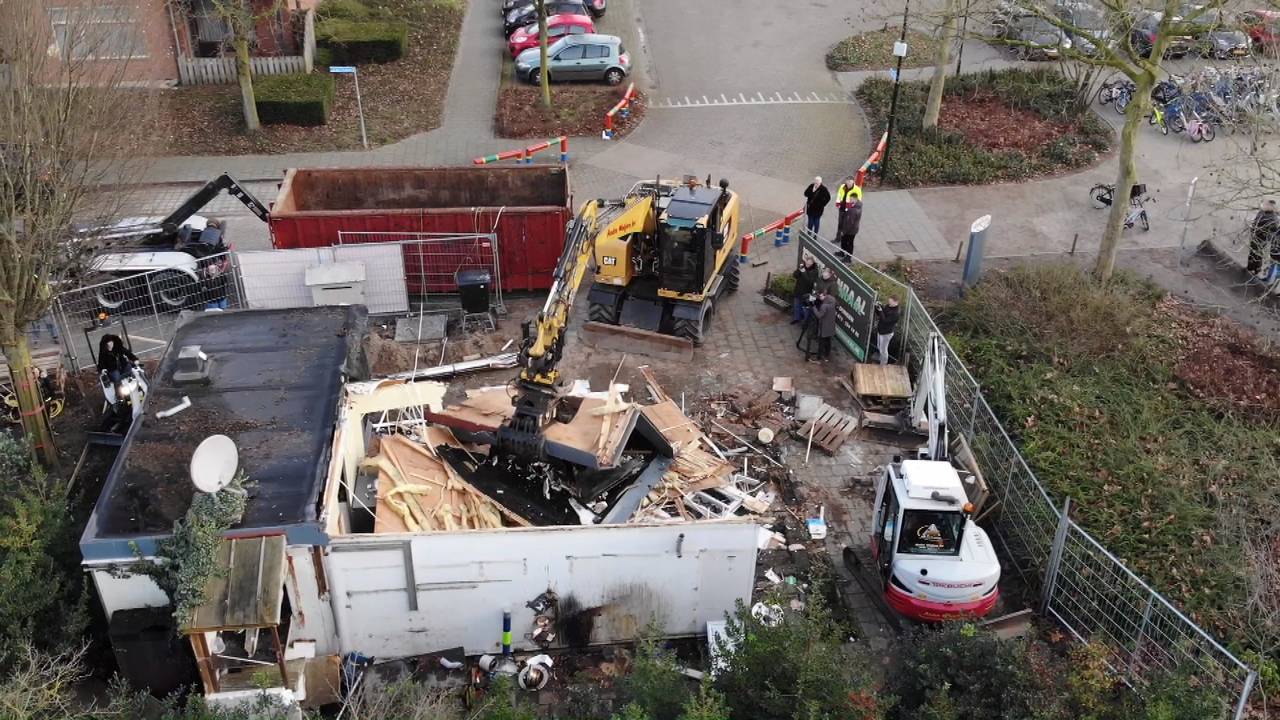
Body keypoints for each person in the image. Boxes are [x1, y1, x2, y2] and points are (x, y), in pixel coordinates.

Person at [1247, 199, 1279, 278]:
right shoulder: (1262, 212)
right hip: (1255, 236)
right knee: (1252, 252)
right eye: (1265, 204)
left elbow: (1273, 231)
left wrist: (1262, 232)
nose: (1265, 206)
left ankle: (1256, 270)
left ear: (1272, 207)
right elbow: (1256, 221)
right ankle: (1249, 267)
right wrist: (1253, 228)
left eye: (1267, 205)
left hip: (1262, 239)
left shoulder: (1273, 218)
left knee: (1257, 254)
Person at [791, 255, 818, 324]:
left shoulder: (814, 271)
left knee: (805, 308)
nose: (807, 265)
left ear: (812, 263)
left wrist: (803, 272)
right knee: (796, 305)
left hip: (806, 293)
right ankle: (796, 318)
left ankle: (804, 322)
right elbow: (794, 275)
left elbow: (809, 281)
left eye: (809, 264)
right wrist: (799, 269)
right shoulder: (803, 267)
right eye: (806, 263)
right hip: (798, 290)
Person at [838, 185, 863, 258]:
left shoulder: (853, 210)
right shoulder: (857, 205)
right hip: (853, 229)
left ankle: (848, 257)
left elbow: (850, 222)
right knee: (846, 242)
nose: (849, 200)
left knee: (848, 243)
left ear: (855, 199)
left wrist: (844, 231)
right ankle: (842, 252)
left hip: (850, 230)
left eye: (851, 199)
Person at [813, 289, 837, 362]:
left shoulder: (824, 306)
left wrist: (814, 308)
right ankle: (827, 354)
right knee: (828, 340)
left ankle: (819, 356)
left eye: (820, 296)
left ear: (824, 295)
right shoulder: (833, 300)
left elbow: (819, 315)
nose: (819, 298)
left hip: (824, 326)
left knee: (821, 342)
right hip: (831, 326)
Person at [875, 296, 900, 366]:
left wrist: (880, 311)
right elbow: (881, 314)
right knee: (879, 346)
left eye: (891, 302)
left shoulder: (896, 313)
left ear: (896, 302)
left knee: (883, 350)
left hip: (886, 333)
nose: (889, 303)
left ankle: (883, 364)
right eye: (889, 301)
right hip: (880, 330)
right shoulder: (888, 306)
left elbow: (885, 321)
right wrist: (878, 307)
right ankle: (880, 359)